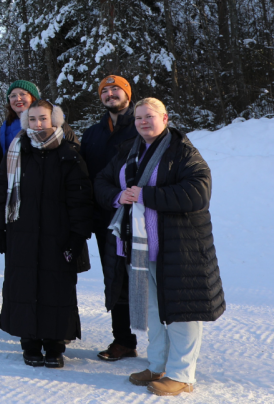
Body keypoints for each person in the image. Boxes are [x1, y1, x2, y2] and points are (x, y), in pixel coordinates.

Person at [95, 98, 224, 397]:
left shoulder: (182, 151)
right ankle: (157, 365)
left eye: (149, 116)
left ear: (165, 118)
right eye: (138, 117)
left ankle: (182, 375)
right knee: (151, 310)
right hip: (139, 251)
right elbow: (101, 180)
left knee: (181, 313)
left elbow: (198, 191)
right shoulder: (129, 150)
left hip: (179, 249)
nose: (143, 122)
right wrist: (118, 196)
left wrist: (146, 195)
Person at [0, 99, 93, 368]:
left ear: (54, 120)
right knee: (23, 285)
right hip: (21, 233)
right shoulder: (17, 150)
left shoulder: (70, 153)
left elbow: (80, 200)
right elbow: (1, 190)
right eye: (32, 119)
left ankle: (55, 343)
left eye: (43, 118)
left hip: (58, 235)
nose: (37, 124)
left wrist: (77, 236)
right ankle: (30, 342)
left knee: (56, 288)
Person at [80, 75, 139, 361]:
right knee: (114, 278)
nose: (110, 93)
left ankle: (164, 344)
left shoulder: (143, 125)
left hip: (141, 217)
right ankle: (124, 339)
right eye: (105, 90)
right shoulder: (92, 133)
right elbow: (86, 178)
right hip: (105, 218)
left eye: (116, 89)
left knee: (147, 278)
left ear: (128, 93)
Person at [0, 80, 39, 172]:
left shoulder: (50, 123)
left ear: (33, 98)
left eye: (23, 94)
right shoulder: (4, 129)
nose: (18, 99)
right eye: (13, 96)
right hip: (13, 183)